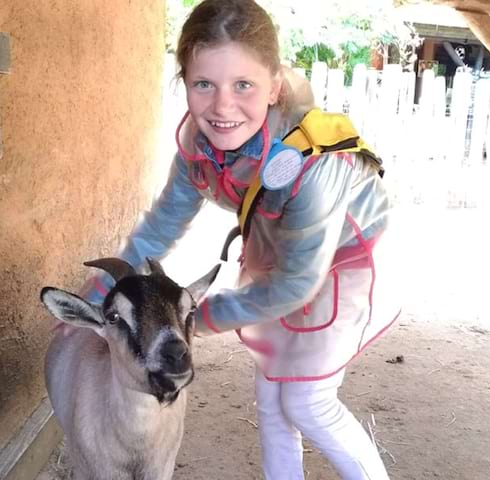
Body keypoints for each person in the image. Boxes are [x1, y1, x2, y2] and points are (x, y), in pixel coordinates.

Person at [82, 0, 401, 478]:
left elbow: (296, 283)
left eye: (244, 85)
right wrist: (100, 292)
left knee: (308, 400)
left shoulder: (314, 161)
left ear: (274, 86)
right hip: (278, 254)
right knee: (273, 397)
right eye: (203, 84)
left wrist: (194, 318)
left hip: (345, 261)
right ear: (184, 83)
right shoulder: (200, 146)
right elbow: (163, 225)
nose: (222, 106)